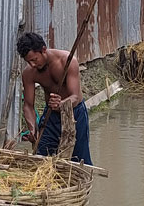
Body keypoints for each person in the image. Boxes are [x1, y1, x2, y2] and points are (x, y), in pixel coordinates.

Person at [16, 32, 92, 165]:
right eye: (29, 61)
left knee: (79, 160)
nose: (32, 64)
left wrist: (62, 103)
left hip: (75, 114)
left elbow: (75, 96)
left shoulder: (67, 61)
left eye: (34, 59)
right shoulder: (29, 73)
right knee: (41, 156)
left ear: (43, 50)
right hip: (51, 116)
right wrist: (33, 128)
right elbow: (28, 105)